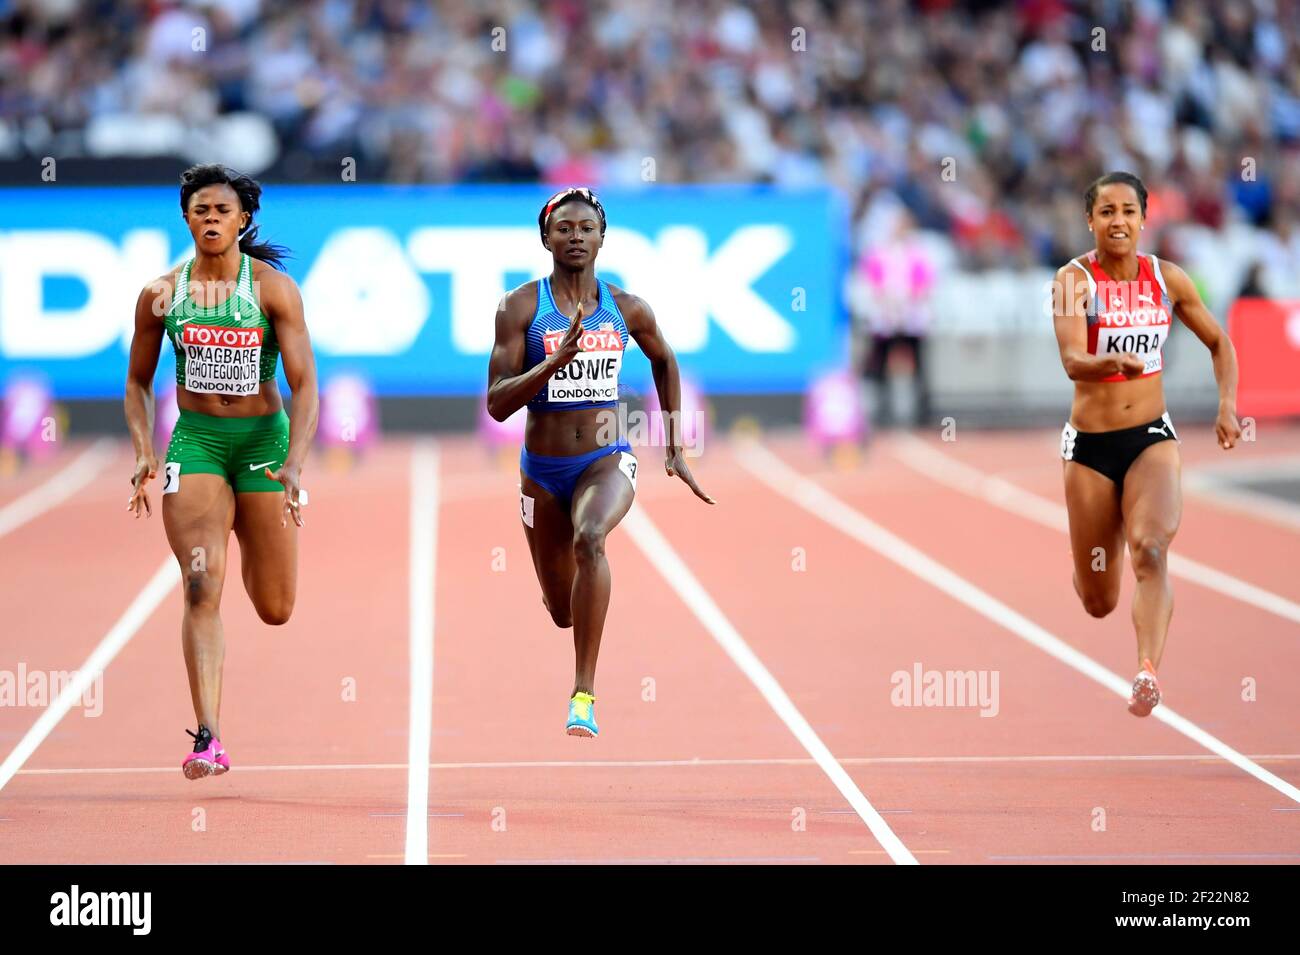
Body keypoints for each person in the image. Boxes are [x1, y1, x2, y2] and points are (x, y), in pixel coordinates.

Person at [486, 187, 714, 738]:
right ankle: (564, 600)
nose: (576, 238)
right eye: (564, 229)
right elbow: (497, 403)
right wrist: (552, 363)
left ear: (602, 237)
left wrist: (676, 445)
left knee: (591, 538)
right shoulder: (519, 307)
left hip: (606, 455)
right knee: (561, 610)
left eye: (586, 229)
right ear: (546, 238)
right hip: (542, 471)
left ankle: (583, 693)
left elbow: (665, 359)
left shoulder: (627, 308)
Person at [124, 164, 319, 776]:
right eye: (200, 209)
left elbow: (306, 383)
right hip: (198, 445)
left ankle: (257, 530)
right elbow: (135, 382)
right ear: (186, 218)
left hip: (263, 444)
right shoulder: (161, 294)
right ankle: (208, 735)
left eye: (221, 211)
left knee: (275, 606)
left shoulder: (272, 290)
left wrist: (294, 464)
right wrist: (142, 450)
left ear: (243, 221)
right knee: (201, 584)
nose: (210, 219)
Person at [1052, 171, 1240, 717]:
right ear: (1090, 221)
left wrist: (1226, 404)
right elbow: (1071, 360)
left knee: (1152, 551)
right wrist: (1111, 361)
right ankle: (1093, 551)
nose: (1118, 221)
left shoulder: (1169, 278)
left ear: (1143, 218)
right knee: (1098, 600)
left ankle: (1146, 671)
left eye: (1128, 211)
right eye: (1106, 211)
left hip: (1150, 437)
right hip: (1089, 448)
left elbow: (1219, 342)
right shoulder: (1073, 281)